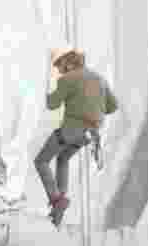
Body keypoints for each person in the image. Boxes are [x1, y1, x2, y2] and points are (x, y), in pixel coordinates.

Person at [35, 47, 118, 227]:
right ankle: (60, 205)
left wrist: (46, 87)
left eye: (60, 65)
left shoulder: (67, 79)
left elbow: (51, 104)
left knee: (41, 161)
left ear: (70, 62)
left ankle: (57, 200)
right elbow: (113, 106)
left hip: (72, 129)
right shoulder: (100, 78)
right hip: (90, 135)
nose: (58, 69)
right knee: (63, 158)